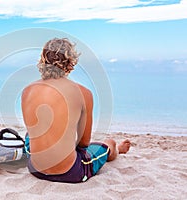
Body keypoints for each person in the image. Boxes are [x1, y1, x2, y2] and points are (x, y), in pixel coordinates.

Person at [21, 38, 131, 183]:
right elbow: (84, 144)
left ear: (43, 60)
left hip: (35, 169)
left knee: (31, 134)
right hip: (70, 172)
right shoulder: (83, 93)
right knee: (107, 143)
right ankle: (116, 150)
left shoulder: (27, 91)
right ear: (71, 62)